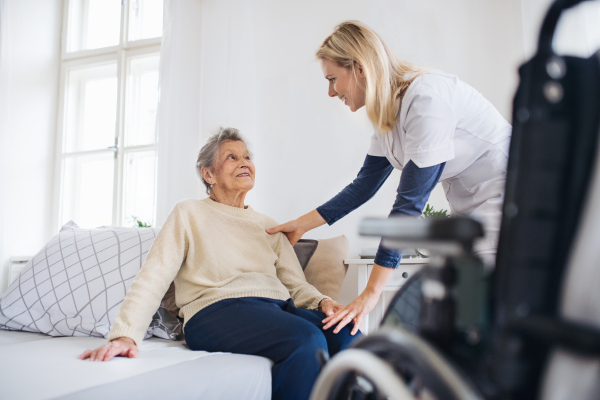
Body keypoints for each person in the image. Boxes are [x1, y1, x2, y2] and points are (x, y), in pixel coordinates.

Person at [267, 21, 511, 336]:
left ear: (358, 68)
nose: (330, 92)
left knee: (472, 314)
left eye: (332, 80)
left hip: (505, 203)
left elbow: (408, 207)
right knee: (453, 312)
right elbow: (363, 187)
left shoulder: (426, 101)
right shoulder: (387, 114)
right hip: (470, 206)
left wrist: (370, 295)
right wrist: (301, 225)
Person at [79, 127, 360, 400]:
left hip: (276, 308)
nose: (244, 163)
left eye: (247, 157)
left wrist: (323, 302)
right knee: (307, 340)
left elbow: (296, 285)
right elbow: (154, 275)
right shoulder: (189, 213)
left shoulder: (269, 226)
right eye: (232, 157)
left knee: (349, 335)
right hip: (214, 312)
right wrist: (125, 335)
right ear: (208, 174)